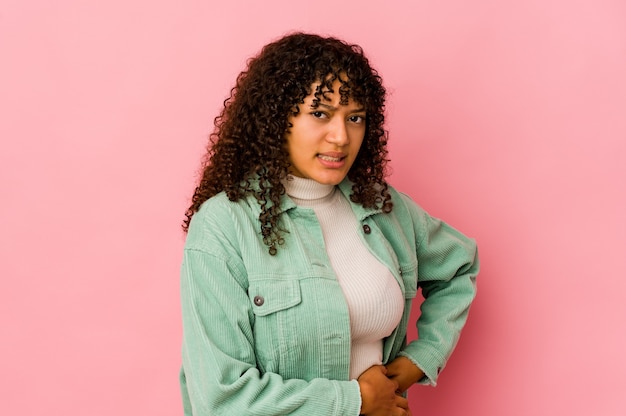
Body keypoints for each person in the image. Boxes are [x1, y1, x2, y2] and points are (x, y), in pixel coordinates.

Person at [179, 32, 479, 416]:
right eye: (320, 114)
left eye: (354, 117)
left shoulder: (382, 207)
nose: (341, 137)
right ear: (277, 118)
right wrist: (355, 401)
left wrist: (418, 360)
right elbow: (220, 398)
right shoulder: (224, 226)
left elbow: (459, 267)